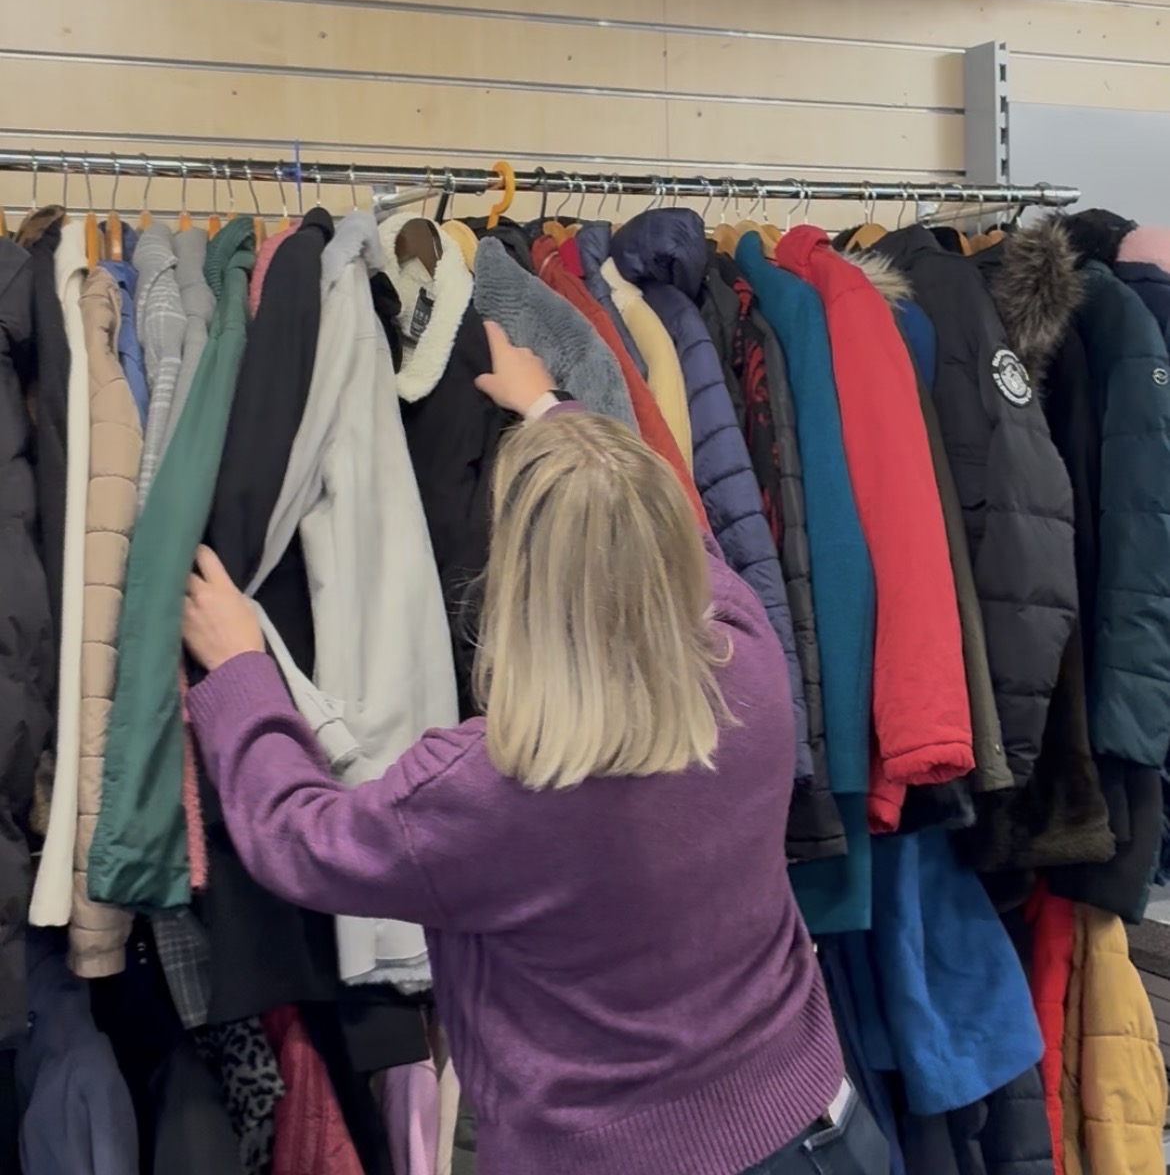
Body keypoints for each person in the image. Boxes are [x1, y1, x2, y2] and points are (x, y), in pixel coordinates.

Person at [183, 322, 889, 1175]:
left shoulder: (490, 791)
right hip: (819, 1128)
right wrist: (552, 412)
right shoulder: (749, 665)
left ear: (518, 576)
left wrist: (241, 672)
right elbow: (682, 548)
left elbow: (299, 837)